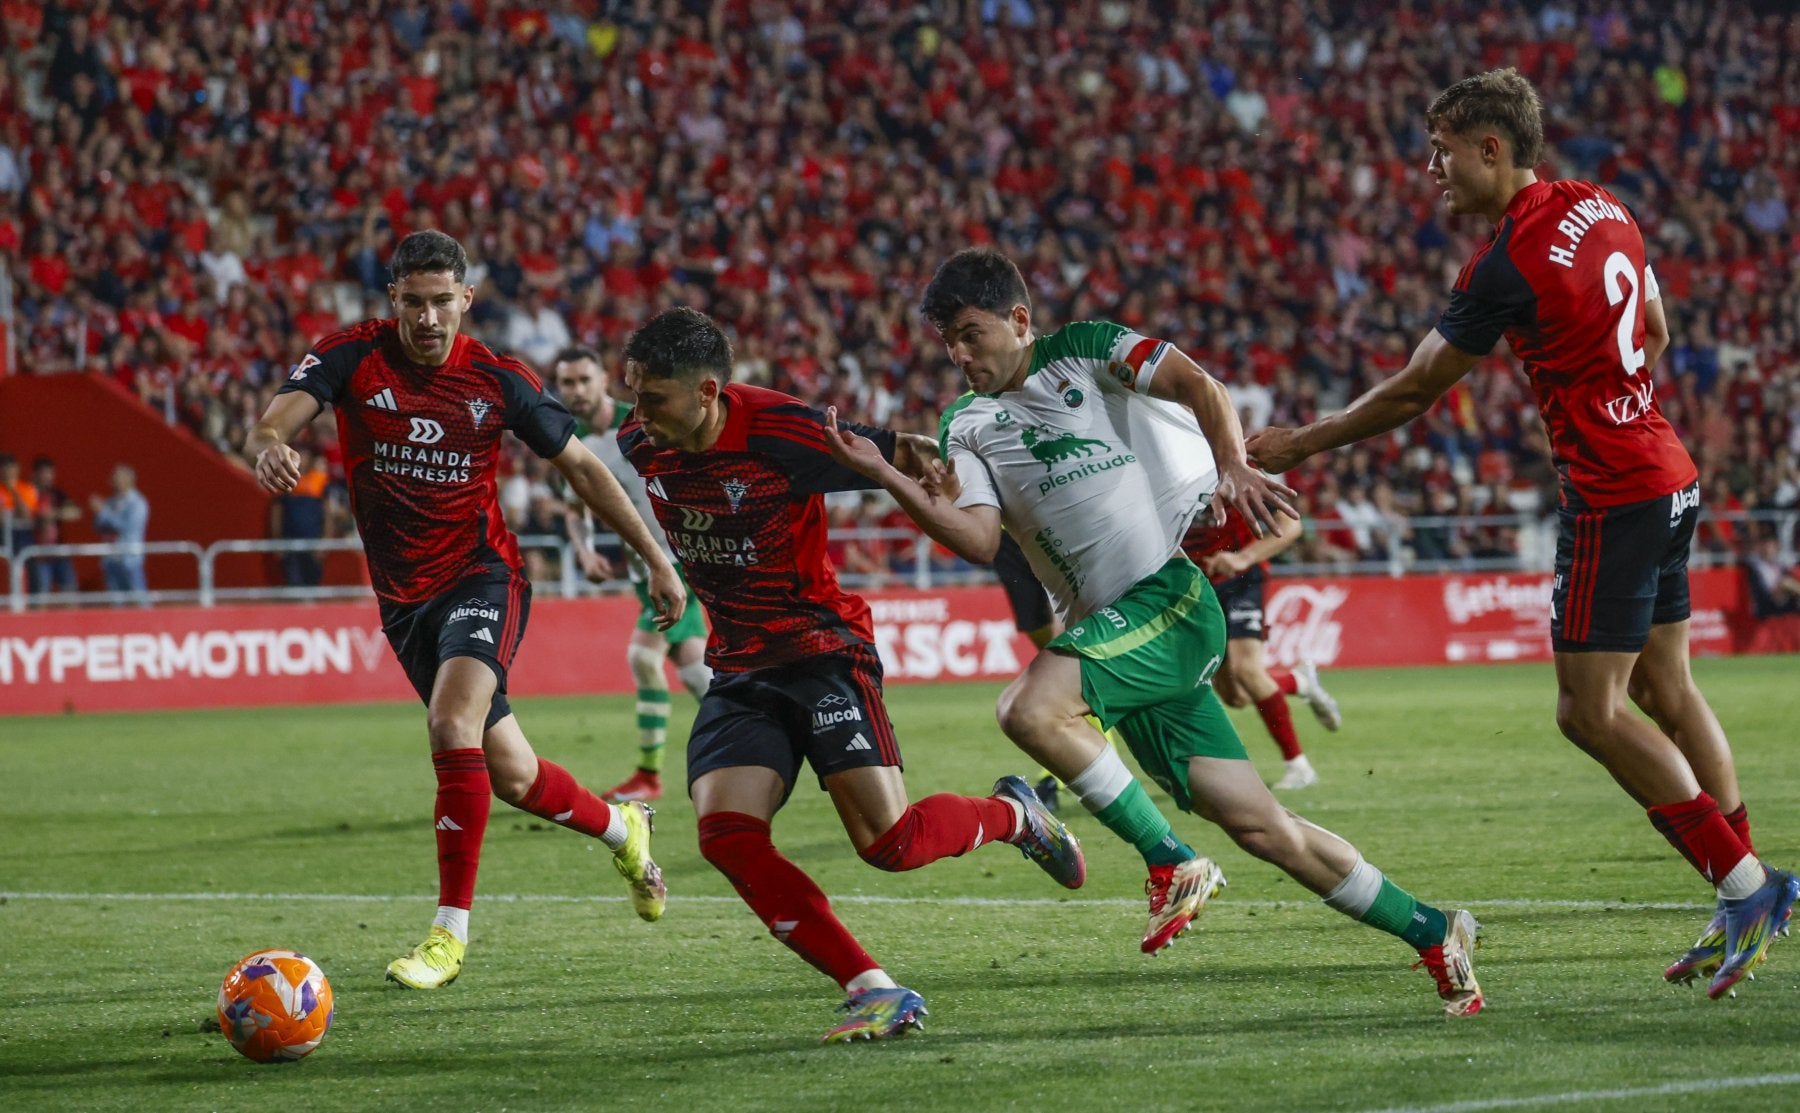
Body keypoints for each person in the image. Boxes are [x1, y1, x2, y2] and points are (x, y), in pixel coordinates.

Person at [1246, 67, 1796, 1001]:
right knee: (1669, 685)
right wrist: (1609, 390)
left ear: (1492, 148)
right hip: (1669, 473)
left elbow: (1418, 389)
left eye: (1445, 150)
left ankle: (1748, 886)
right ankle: (1741, 888)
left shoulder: (1508, 259)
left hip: (1615, 494)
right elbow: (1654, 328)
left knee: (1589, 710)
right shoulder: (1606, 206)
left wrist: (1301, 441)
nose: (1432, 169)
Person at [828, 247, 1485, 1016]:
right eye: (948, 341)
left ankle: (1170, 859)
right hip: (1114, 634)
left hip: (1167, 600)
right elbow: (977, 538)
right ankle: (1436, 930)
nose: (960, 354)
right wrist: (889, 478)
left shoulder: (1086, 348)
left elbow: (1196, 383)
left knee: (1029, 709)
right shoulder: (964, 424)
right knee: (1265, 827)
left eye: (972, 333)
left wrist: (1232, 462)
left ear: (1019, 320)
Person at [618, 306, 1085, 1042]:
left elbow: (901, 448)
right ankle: (874, 986)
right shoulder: (642, 445)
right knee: (727, 836)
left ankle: (1018, 814)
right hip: (741, 667)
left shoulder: (783, 430)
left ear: (708, 392)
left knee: (889, 844)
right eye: (633, 395)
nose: (637, 417)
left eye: (653, 400)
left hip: (821, 653)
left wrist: (957, 478)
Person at [245, 230, 682, 991]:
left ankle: (448, 934)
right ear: (392, 302)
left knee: (452, 724)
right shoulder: (352, 355)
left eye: (441, 301)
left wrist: (652, 554)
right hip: (404, 601)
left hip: (484, 577)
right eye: (412, 302)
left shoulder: (496, 376)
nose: (426, 317)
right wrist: (267, 444)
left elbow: (581, 465)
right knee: (510, 773)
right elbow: (278, 417)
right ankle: (623, 827)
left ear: (466, 301)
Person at [550, 345, 711, 802]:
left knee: (644, 657)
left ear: (604, 380)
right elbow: (574, 504)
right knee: (696, 670)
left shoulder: (639, 420)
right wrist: (583, 552)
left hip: (681, 558)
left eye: (584, 380)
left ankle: (649, 775)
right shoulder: (569, 439)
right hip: (645, 568)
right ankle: (757, 739)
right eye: (567, 383)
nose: (577, 391)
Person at [1179, 509, 1341, 790]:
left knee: (1247, 670)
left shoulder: (1242, 469)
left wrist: (1243, 557)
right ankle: (1298, 681)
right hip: (1198, 585)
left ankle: (1298, 766)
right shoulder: (1168, 476)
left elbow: (1291, 526)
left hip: (1242, 579)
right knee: (1236, 696)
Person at [90, 463, 149, 601]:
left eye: (116, 478)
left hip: (130, 560)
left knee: (138, 600)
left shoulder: (137, 503)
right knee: (116, 604)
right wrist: (100, 514)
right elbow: (99, 526)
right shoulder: (111, 502)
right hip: (111, 560)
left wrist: (103, 512)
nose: (112, 481)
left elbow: (126, 527)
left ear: (127, 480)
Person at [29, 456, 82, 594]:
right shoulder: (28, 493)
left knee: (70, 590)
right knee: (41, 592)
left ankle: (72, 616)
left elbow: (75, 512)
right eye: (44, 473)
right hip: (37, 554)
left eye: (50, 473)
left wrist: (54, 514)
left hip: (59, 553)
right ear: (34, 474)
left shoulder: (57, 494)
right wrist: (38, 516)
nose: (48, 477)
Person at [0, 453, 39, 558]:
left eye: (10, 467)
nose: (7, 471)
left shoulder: (27, 489)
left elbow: (26, 515)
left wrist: (12, 489)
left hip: (23, 535)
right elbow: (2, 519)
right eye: (4, 467)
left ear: (17, 468)